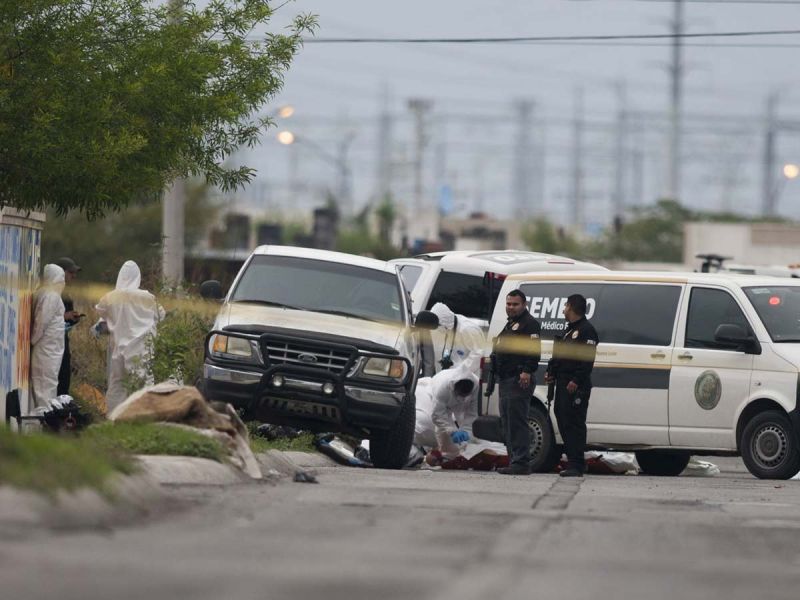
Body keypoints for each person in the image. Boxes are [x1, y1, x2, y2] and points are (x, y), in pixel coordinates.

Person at [95, 260, 164, 411]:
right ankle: (142, 418)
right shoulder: (147, 297)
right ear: (137, 277)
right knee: (143, 386)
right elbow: (161, 315)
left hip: (118, 349)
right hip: (141, 349)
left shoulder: (110, 297)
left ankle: (114, 417)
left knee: (117, 385)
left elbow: (101, 312)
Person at [545, 294, 599, 478]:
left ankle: (576, 464)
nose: (563, 310)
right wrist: (551, 372)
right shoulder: (570, 330)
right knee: (563, 420)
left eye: (565, 306)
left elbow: (587, 360)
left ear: (571, 306)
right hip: (563, 382)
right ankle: (575, 462)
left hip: (575, 386)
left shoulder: (586, 330)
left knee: (574, 423)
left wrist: (576, 380)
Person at [492, 289, 541, 475]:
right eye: (508, 304)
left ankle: (521, 462)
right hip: (506, 379)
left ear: (524, 305)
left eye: (515, 304)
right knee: (508, 423)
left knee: (517, 422)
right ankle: (514, 460)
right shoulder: (510, 324)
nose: (511, 307)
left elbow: (534, 350)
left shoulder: (529, 324)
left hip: (518, 379)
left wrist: (527, 371)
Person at [413, 364, 479, 462]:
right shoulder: (441, 388)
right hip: (441, 400)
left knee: (470, 436)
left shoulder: (476, 386)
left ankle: (465, 454)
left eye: (465, 395)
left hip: (459, 401)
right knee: (442, 432)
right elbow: (438, 415)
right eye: (460, 394)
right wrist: (452, 431)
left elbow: (472, 412)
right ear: (454, 387)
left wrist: (467, 430)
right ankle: (446, 455)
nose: (462, 398)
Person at [30, 264, 66, 410]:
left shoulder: (50, 294)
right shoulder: (51, 295)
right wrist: (33, 340)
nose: (63, 284)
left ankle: (47, 414)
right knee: (45, 383)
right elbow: (42, 321)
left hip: (51, 348)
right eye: (61, 280)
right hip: (46, 348)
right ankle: (44, 415)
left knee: (48, 381)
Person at [429, 302, 484, 374]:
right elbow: (448, 347)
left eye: (438, 325)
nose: (437, 328)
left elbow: (478, 355)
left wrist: (460, 372)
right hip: (455, 371)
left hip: (469, 374)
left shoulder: (468, 330)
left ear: (444, 323)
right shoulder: (450, 325)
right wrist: (446, 358)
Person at [54, 257, 82, 396]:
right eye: (70, 272)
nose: (74, 276)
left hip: (62, 340)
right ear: (61, 273)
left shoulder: (66, 293)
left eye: (75, 273)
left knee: (64, 376)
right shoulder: (51, 293)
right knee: (54, 378)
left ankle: (63, 405)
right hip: (51, 342)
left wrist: (73, 319)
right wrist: (64, 316)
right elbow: (43, 318)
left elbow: (67, 318)